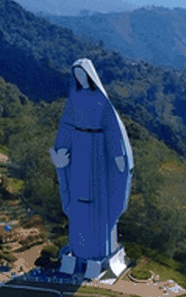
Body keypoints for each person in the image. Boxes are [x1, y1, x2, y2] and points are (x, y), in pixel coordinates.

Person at [50, 58, 134, 277]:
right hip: (78, 149)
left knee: (99, 196)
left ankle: (98, 257)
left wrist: (118, 156)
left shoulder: (101, 100)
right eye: (76, 75)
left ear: (89, 75)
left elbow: (113, 128)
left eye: (82, 74)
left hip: (98, 151)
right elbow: (66, 126)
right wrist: (60, 152)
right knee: (79, 196)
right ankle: (79, 252)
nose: (79, 78)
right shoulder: (74, 97)